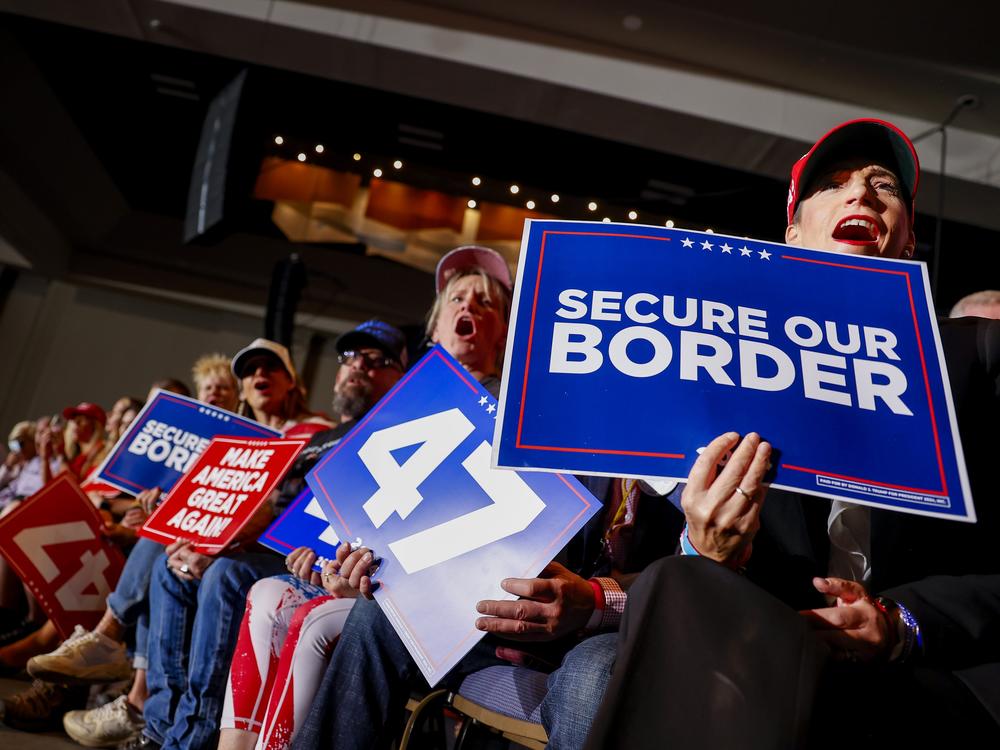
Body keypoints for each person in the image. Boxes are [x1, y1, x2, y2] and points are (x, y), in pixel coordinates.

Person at [584, 119, 1000, 748]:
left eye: (883, 186)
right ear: (793, 234)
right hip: (763, 659)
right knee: (675, 584)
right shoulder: (717, 364)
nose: (860, 194)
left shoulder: (975, 358)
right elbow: (687, 583)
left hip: (923, 683)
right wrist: (707, 550)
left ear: (909, 240)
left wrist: (904, 621)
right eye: (833, 186)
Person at [287, 247, 684, 750]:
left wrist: (596, 600)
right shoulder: (443, 423)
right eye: (456, 299)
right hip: (478, 610)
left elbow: (685, 570)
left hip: (589, 625)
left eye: (488, 303)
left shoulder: (636, 426)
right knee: (358, 611)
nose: (469, 309)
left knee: (593, 671)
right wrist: (365, 568)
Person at [4, 358, 243, 738]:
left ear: (238, 398)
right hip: (157, 543)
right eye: (207, 388)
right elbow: (124, 499)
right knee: (144, 551)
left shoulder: (246, 444)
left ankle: (105, 672)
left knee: (150, 552)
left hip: (203, 549)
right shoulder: (171, 446)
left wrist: (131, 520)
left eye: (223, 388)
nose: (213, 394)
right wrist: (141, 509)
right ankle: (72, 678)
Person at [132, 339, 332, 750]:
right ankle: (159, 725)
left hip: (271, 555)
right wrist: (185, 531)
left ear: (290, 381)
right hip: (223, 549)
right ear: (240, 387)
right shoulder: (225, 441)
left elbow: (307, 518)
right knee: (167, 569)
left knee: (223, 574)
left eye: (271, 368)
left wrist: (228, 545)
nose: (260, 375)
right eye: (250, 370)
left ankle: (193, 735)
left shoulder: (319, 435)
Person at [217, 320, 407, 750]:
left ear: (404, 375)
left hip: (379, 590)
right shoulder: (318, 440)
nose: (360, 366)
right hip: (318, 570)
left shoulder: (398, 430)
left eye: (377, 361)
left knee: (304, 616)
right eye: (350, 358)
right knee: (267, 591)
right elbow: (294, 520)